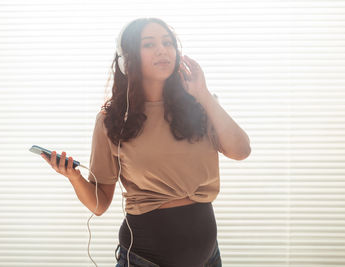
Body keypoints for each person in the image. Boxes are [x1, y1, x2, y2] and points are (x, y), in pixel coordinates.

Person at [41, 17, 251, 267]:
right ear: (126, 60)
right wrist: (73, 177)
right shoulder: (112, 120)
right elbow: (100, 204)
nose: (162, 49)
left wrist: (204, 95)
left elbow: (241, 151)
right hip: (144, 260)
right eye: (149, 44)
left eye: (168, 43)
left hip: (208, 258)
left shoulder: (200, 105)